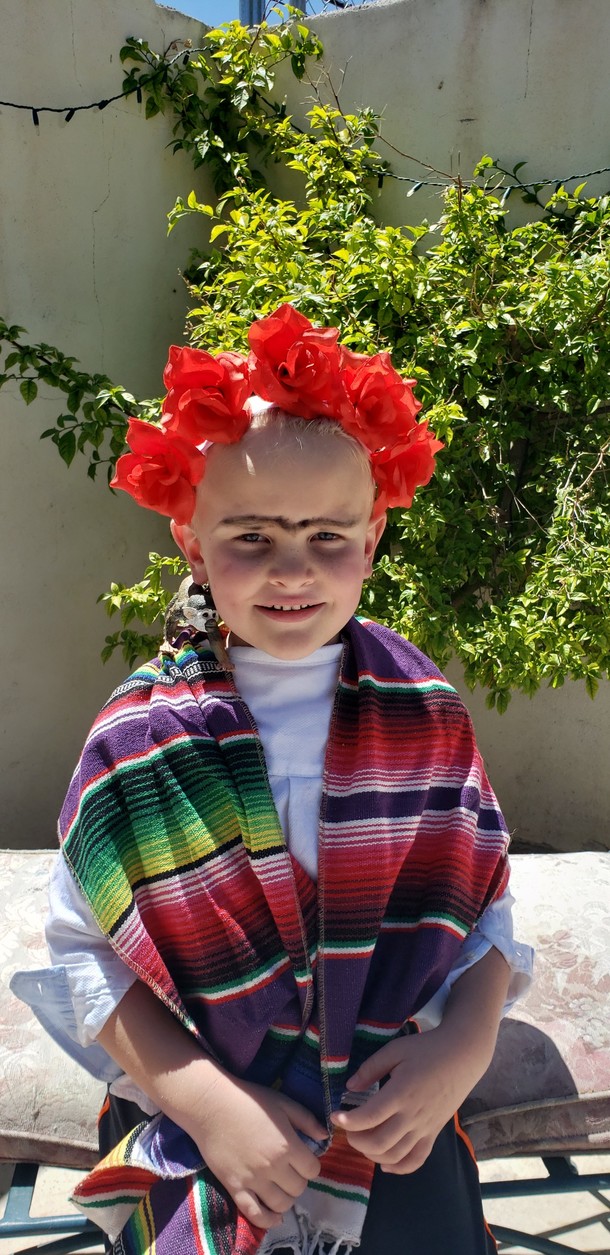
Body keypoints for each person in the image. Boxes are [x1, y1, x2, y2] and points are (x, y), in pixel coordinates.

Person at [13, 304, 533, 1255]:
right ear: (189, 537)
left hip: (395, 1134)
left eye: (327, 537)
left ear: (373, 534)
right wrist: (211, 1108)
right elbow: (85, 958)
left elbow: (486, 914)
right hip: (209, 1140)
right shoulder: (143, 737)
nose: (292, 569)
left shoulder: (425, 713)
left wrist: (461, 1052)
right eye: (251, 537)